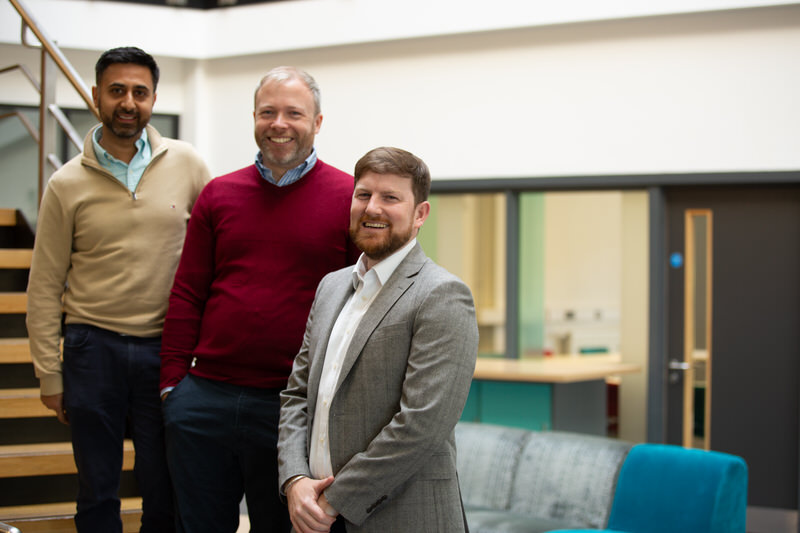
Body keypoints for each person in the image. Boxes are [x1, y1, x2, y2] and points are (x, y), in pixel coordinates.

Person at [159, 66, 360, 533]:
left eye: (294, 113)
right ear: (254, 117)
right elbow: (188, 292)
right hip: (204, 399)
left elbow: (361, 304)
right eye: (268, 112)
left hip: (293, 409)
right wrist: (173, 387)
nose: (280, 123)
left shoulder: (349, 198)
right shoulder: (218, 194)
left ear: (317, 122)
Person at [25, 46, 212, 532]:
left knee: (163, 483)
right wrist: (50, 374)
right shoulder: (66, 184)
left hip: (166, 349)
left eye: (139, 92)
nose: (127, 102)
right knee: (97, 486)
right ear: (95, 96)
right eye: (116, 91)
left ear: (153, 99)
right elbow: (44, 286)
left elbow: (217, 252)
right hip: (92, 348)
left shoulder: (188, 164)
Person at [277, 146, 479, 533]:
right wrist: (295, 481)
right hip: (311, 515)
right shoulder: (331, 287)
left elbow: (421, 425)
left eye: (390, 198)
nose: (372, 208)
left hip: (399, 517)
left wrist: (333, 500)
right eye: (363, 194)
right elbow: (296, 395)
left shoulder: (442, 295)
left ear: (420, 214)